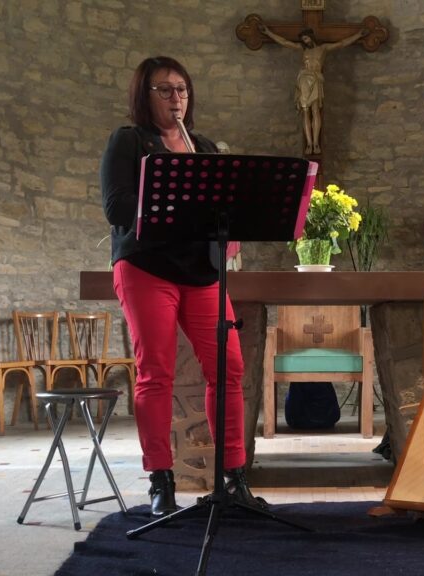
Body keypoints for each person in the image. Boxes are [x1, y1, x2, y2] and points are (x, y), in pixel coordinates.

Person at [100, 56, 266, 517]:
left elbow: (224, 212)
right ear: (144, 95)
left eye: (182, 90)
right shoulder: (129, 141)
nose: (177, 98)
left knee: (229, 368)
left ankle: (233, 478)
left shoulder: (206, 148)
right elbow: (116, 208)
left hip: (202, 271)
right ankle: (162, 480)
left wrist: (229, 232)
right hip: (147, 266)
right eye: (165, 90)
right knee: (157, 372)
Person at [258, 25, 367, 155]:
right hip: (304, 79)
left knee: (315, 110)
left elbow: (341, 43)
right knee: (305, 112)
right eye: (303, 39)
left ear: (311, 37)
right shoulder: (301, 49)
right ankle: (309, 143)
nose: (305, 41)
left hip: (316, 79)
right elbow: (285, 42)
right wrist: (269, 32)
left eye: (306, 38)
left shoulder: (323, 48)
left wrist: (359, 35)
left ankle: (316, 142)